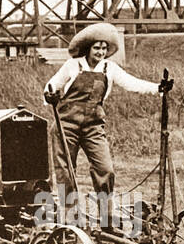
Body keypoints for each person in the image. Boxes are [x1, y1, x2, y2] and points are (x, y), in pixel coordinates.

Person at [43, 22, 173, 225]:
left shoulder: (109, 68)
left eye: (104, 48)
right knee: (66, 172)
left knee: (106, 169)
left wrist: (159, 88)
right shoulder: (73, 65)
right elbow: (51, 85)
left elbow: (132, 83)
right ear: (88, 48)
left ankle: (106, 218)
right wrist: (50, 95)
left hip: (93, 126)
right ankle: (70, 220)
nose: (101, 52)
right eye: (97, 48)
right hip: (65, 125)